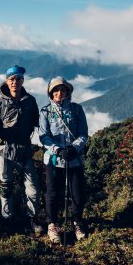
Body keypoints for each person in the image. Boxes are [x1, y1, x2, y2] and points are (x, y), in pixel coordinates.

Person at [0, 65, 42, 234]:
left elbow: (37, 122)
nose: (15, 82)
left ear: (22, 80)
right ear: (6, 81)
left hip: (24, 149)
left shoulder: (30, 101)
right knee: (6, 186)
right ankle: (7, 218)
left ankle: (31, 219)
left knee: (33, 187)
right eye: (12, 79)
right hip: (4, 150)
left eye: (18, 79)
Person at [39, 76, 89, 243]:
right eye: (56, 90)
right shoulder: (45, 112)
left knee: (78, 194)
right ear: (51, 93)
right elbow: (43, 136)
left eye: (62, 89)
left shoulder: (76, 109)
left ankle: (77, 223)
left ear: (68, 92)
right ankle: (52, 224)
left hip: (74, 159)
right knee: (53, 194)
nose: (59, 93)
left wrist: (74, 148)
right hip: (53, 159)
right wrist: (58, 149)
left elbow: (83, 133)